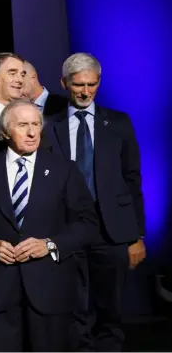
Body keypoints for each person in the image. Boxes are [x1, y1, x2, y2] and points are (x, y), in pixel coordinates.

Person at [0, 99, 98, 351]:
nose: (32, 132)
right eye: (23, 125)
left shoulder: (64, 170)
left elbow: (87, 223)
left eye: (36, 124)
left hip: (50, 292)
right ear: (5, 131)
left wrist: (51, 244)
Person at [46, 53, 146, 351]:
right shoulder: (49, 125)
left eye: (92, 84)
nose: (85, 91)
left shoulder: (118, 122)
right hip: (69, 229)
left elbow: (132, 179)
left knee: (110, 309)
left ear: (99, 82)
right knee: (75, 308)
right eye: (78, 85)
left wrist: (137, 235)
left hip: (111, 231)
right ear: (64, 83)